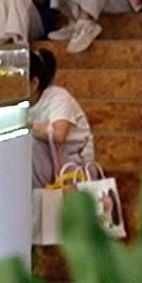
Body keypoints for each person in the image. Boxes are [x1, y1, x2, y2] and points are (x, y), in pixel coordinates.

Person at [27, 47, 94, 189]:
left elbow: (58, 134)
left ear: (34, 83)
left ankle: (36, 197)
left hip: (73, 168)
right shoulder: (16, 104)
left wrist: (24, 125)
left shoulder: (58, 96)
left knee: (30, 143)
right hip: (48, 165)